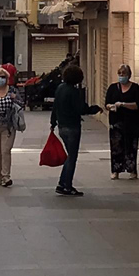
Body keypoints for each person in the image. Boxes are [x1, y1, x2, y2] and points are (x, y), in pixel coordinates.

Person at [50, 64, 102, 196]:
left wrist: (53, 122)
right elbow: (81, 109)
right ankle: (67, 185)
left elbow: (55, 106)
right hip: (73, 127)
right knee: (72, 157)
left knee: (69, 156)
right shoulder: (74, 92)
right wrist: (94, 109)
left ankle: (62, 183)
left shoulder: (60, 88)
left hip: (61, 126)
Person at [105, 64, 139, 180]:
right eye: (120, 74)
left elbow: (138, 105)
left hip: (131, 123)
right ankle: (116, 170)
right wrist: (111, 106)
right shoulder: (112, 88)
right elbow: (106, 103)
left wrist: (123, 104)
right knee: (116, 147)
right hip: (116, 122)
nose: (122, 76)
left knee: (131, 146)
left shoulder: (135, 88)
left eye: (124, 74)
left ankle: (132, 170)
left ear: (129, 75)